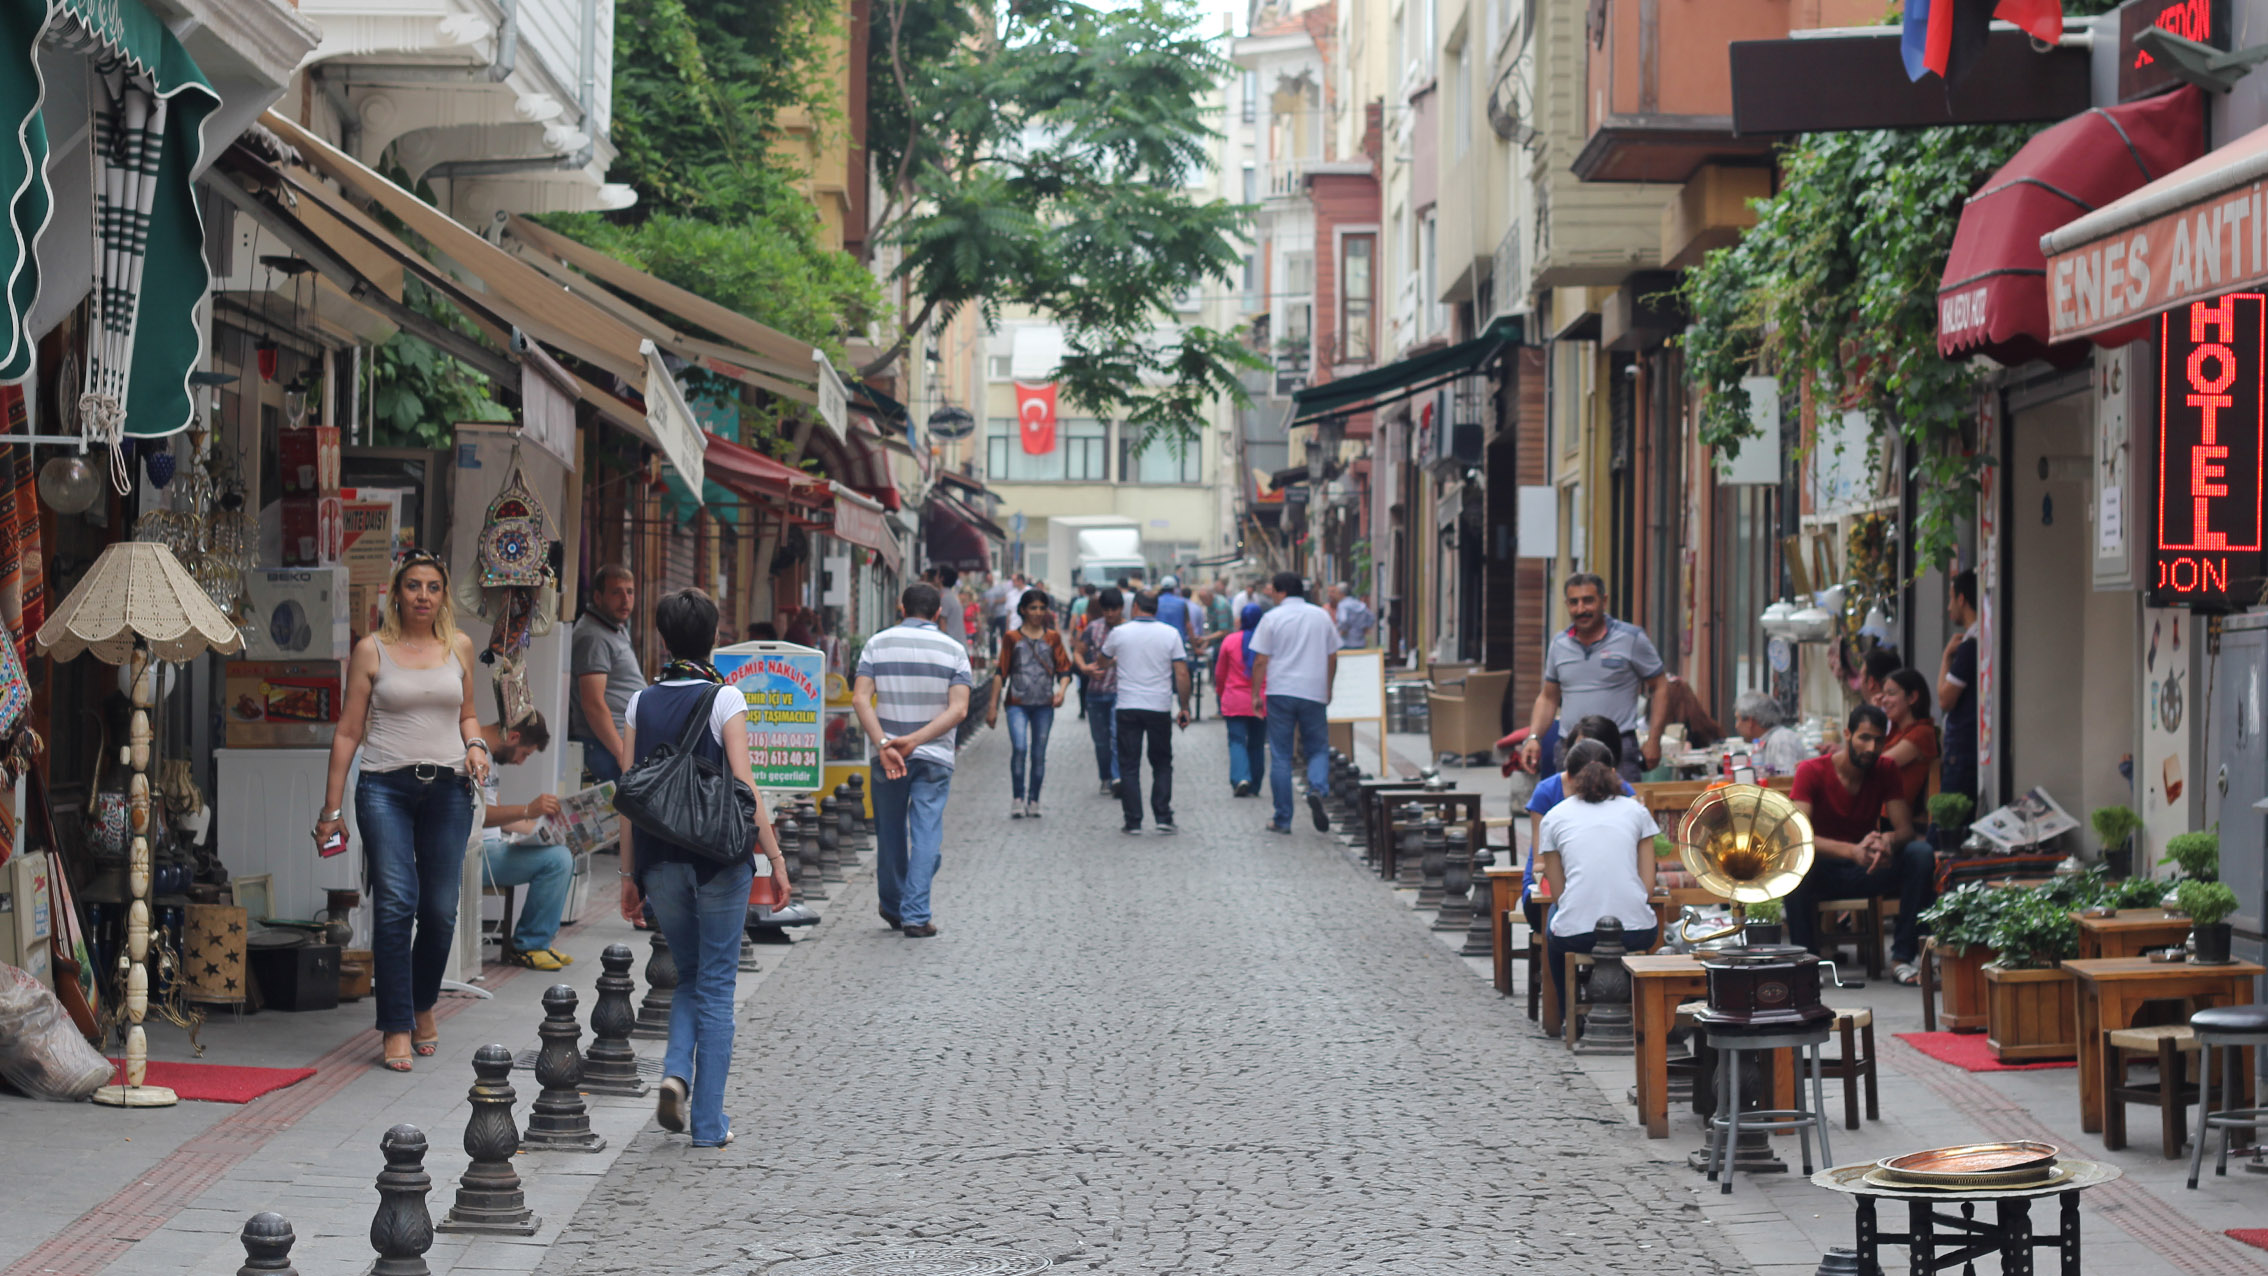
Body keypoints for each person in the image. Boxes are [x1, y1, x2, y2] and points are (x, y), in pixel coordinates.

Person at [615, 588, 790, 1147]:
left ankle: (675, 1073)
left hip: (661, 862)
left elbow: (629, 797)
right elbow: (746, 789)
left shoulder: (639, 703)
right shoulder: (726, 700)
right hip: (720, 862)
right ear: (715, 637)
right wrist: (775, 859)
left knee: (688, 978)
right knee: (715, 985)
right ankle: (709, 1125)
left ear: (662, 639)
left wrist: (627, 875)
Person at [316, 550, 488, 1073]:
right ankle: (395, 1025)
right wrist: (330, 807)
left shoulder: (459, 646)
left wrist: (477, 744)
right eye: (413, 586)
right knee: (396, 904)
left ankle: (422, 1003)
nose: (422, 596)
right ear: (396, 593)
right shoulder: (372, 650)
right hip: (385, 787)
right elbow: (348, 731)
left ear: (442, 595)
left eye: (433, 587)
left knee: (439, 910)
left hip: (449, 789)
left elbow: (468, 714)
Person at [853, 584, 974, 937]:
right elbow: (960, 709)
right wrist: (917, 741)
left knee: (889, 833)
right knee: (926, 834)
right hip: (934, 755)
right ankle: (916, 914)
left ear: (900, 607)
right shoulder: (954, 650)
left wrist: (885, 743)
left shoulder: (877, 644)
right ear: (939, 613)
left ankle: (892, 905)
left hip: (887, 754)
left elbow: (861, 699)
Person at [1784, 704, 1935, 985]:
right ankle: (1806, 963)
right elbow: (1798, 836)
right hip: (1824, 869)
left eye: (1879, 740)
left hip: (1869, 865)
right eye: (1864, 738)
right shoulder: (1811, 770)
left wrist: (1885, 840)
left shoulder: (1886, 768)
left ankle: (1904, 958)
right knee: (1795, 869)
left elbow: (1904, 830)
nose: (1871, 747)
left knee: (1921, 854)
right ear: (1847, 734)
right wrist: (1851, 851)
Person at [1537, 738, 1662, 1013]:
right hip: (1635, 932)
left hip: (1577, 935)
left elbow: (1558, 894)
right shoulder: (1637, 812)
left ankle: (1565, 1011)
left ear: (1567, 777)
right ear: (1614, 772)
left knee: (1552, 927)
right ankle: (1644, 1010)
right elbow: (1648, 888)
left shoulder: (1554, 817)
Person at [1520, 573, 1671, 783]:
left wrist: (1654, 740)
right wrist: (1534, 738)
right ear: (1566, 604)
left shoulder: (1631, 639)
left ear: (1604, 600)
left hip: (1618, 747)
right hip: (1569, 747)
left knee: (1621, 811)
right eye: (1574, 602)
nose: (1581, 609)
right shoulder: (1559, 644)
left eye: (1588, 600)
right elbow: (1548, 698)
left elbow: (1660, 686)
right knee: (1569, 812)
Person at [471, 710, 574, 971]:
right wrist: (528, 809)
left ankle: (536, 941)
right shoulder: (472, 753)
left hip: (491, 848)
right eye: (525, 753)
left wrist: (543, 831)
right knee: (558, 860)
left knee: (559, 850)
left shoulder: (489, 758)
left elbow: (497, 816)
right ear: (514, 736)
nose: (521, 762)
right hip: (470, 854)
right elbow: (477, 816)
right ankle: (530, 944)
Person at [1251, 572, 1341, 835]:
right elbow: (1333, 655)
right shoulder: (1321, 616)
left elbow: (1260, 660)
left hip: (1281, 691)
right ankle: (1316, 788)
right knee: (1317, 747)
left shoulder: (1272, 618)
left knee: (1281, 754)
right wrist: (1328, 686)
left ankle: (1283, 818)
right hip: (1313, 690)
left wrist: (1256, 693)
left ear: (1280, 593)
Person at [1522, 715, 1633, 923]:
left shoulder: (1624, 793)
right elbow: (1539, 864)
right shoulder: (1547, 792)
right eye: (1581, 749)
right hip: (1549, 888)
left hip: (1607, 888)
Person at [1102, 589, 1191, 833]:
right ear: (1155, 609)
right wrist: (1184, 707)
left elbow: (1102, 659)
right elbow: (1181, 673)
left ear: (1136, 607)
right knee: (1162, 762)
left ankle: (1133, 820)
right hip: (1159, 706)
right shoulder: (1170, 634)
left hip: (1128, 705)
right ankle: (1163, 816)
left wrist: (1109, 662)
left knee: (1129, 764)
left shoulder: (1119, 633)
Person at [988, 588, 1073, 818]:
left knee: (1038, 752)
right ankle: (1018, 797)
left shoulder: (1053, 638)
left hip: (1044, 704)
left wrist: (1062, 691)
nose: (1037, 612)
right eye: (1033, 608)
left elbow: (1065, 669)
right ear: (1023, 610)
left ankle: (1034, 799)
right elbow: (1000, 673)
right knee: (1020, 748)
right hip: (1017, 702)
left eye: (1042, 608)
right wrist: (992, 706)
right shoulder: (1011, 638)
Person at [570, 564, 644, 783]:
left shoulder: (614, 627)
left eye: (629, 592)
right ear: (598, 597)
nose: (625, 599)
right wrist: (622, 753)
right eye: (616, 592)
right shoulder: (593, 637)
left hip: (621, 742)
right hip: (606, 747)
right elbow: (593, 704)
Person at [1213, 603, 1268, 797]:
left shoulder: (1230, 641)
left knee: (1236, 741)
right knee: (1257, 743)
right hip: (1261, 701)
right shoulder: (1267, 642)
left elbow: (1220, 673)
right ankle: (1255, 783)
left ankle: (1241, 777)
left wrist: (1220, 693)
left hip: (1235, 699)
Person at [1936, 569, 1980, 801]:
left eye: (1950, 599)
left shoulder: (1969, 646)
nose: (1948, 607)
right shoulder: (1981, 640)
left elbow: (1945, 698)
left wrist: (1946, 658)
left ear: (1961, 599)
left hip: (1962, 752)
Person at [1876, 667, 1940, 807]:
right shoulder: (1895, 728)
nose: (1884, 701)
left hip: (1894, 818)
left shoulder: (1921, 733)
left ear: (1912, 697)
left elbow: (1878, 766)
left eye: (1891, 694)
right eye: (1883, 695)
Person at [1733, 691, 1809, 778]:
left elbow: (1786, 781)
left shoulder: (1781, 739)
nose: (1736, 726)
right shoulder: (1764, 742)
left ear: (1750, 721)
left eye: (1738, 719)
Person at [1328, 581, 1376, 648]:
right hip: (1361, 641)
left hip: (1347, 643)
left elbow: (1343, 620)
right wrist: (1365, 628)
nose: (1334, 595)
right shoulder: (1357, 603)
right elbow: (1371, 617)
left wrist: (1343, 630)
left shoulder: (1342, 605)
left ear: (1341, 593)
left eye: (1335, 592)